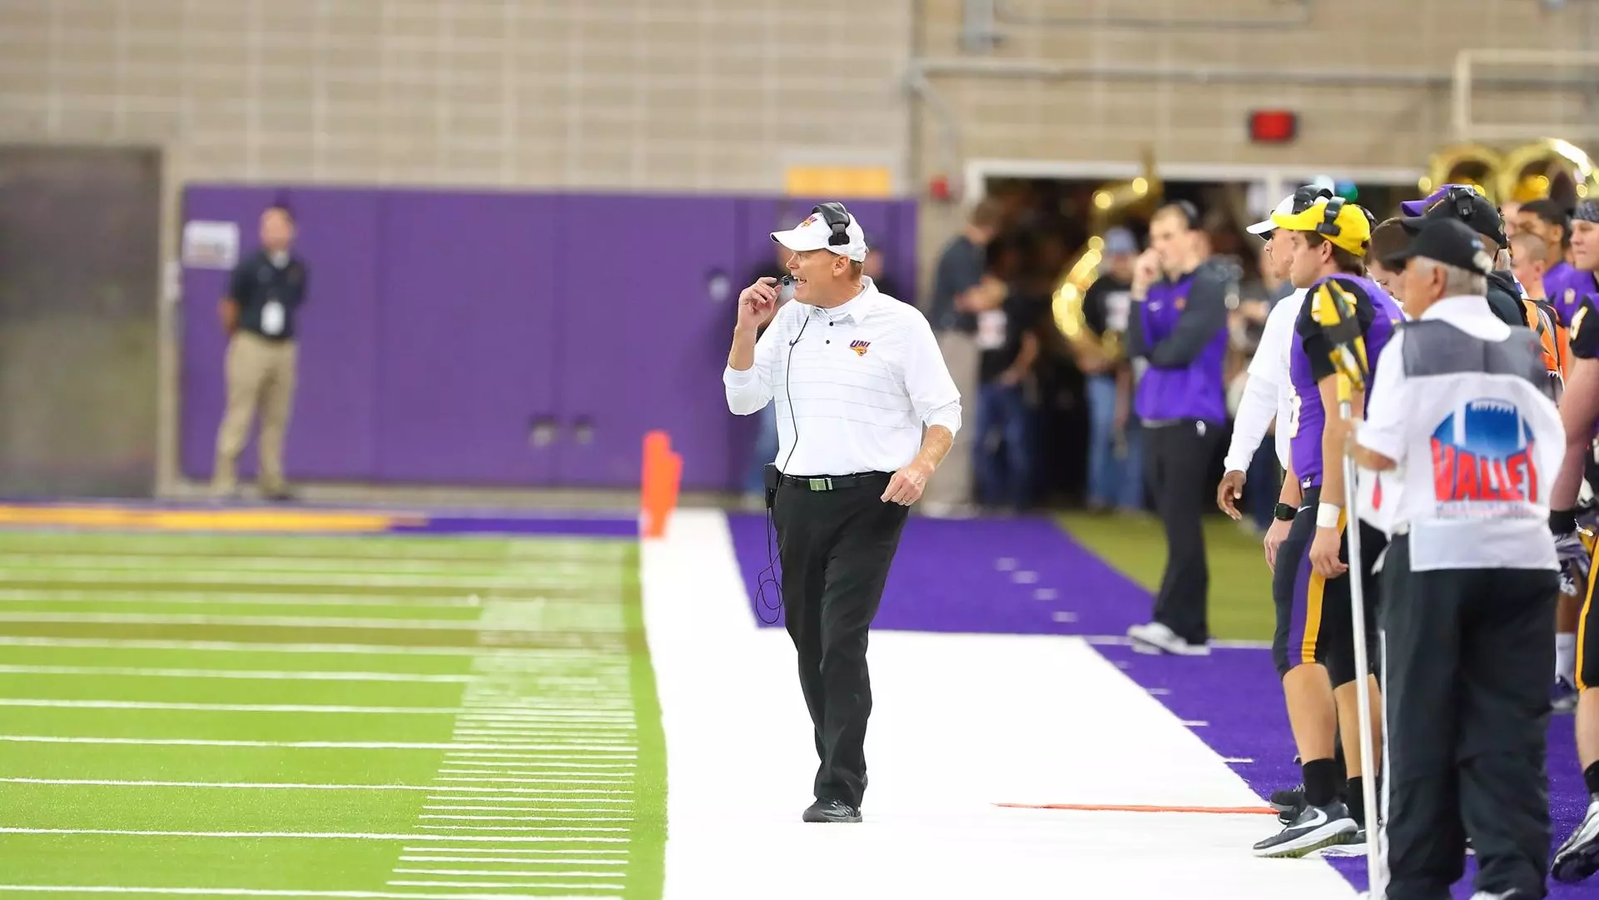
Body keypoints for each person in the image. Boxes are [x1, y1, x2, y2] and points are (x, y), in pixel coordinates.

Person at [723, 202, 961, 824]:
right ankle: (833, 762)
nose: (790, 264)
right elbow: (744, 399)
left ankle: (839, 786)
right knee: (809, 641)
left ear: (839, 261)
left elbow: (944, 411)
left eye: (803, 254)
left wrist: (921, 467)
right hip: (796, 498)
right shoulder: (789, 319)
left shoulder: (900, 324)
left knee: (842, 638)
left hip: (872, 501)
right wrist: (746, 329)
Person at [1347, 217, 1562, 900]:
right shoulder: (1524, 346)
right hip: (1525, 554)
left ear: (1435, 278)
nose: (1400, 286)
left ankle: (1417, 878)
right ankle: (1510, 875)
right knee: (1510, 726)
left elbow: (1381, 453)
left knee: (1421, 721)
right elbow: (1550, 448)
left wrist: (1349, 434)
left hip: (1437, 549)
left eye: (1406, 273)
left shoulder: (1411, 345)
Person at [1249, 195, 1398, 859]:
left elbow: (1343, 413)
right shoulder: (1378, 300)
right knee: (1349, 651)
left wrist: (1326, 516)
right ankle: (1363, 803)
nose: (1278, 250)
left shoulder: (1330, 302)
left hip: (1340, 492)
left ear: (1323, 246)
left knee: (1297, 647)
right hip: (1365, 491)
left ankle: (1322, 799)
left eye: (1290, 238)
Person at [1123, 201, 1231, 656]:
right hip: (1156, 413)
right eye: (1155, 238)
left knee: (1181, 517)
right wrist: (1137, 290)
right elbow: (1135, 345)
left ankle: (1170, 620)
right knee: (1174, 520)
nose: (1159, 246)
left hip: (1193, 413)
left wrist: (1155, 349)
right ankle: (1192, 630)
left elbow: (1177, 351)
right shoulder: (1155, 289)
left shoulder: (1207, 286)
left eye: (1168, 236)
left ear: (1192, 238)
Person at [1218, 187, 1330, 551]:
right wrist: (1237, 461)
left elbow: (1309, 411)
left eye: (1274, 236)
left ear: (1299, 239)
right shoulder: (1287, 308)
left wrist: (1284, 509)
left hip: (1324, 482)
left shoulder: (1303, 308)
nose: (1267, 248)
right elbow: (1262, 391)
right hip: (1310, 479)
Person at [212, 203, 307, 501]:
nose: (271, 232)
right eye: (267, 226)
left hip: (283, 346)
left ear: (291, 230)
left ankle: (271, 478)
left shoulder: (297, 269)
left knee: (276, 416)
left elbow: (296, 301)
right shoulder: (249, 266)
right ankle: (225, 479)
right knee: (240, 411)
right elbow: (229, 304)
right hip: (252, 342)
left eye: (278, 226)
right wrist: (238, 336)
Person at [921, 199, 1003, 514]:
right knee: (951, 413)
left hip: (954, 336)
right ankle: (944, 496)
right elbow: (976, 300)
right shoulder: (962, 252)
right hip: (953, 337)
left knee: (954, 414)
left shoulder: (965, 251)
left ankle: (948, 494)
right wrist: (999, 292)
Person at [1080, 227, 1145, 513]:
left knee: (1136, 433)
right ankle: (1099, 495)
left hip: (1139, 370)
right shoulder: (1098, 289)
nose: (1120, 262)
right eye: (1115, 256)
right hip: (1105, 372)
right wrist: (1089, 357)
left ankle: (1130, 499)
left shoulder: (1146, 287)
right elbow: (1084, 332)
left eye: (1124, 255)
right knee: (1104, 427)